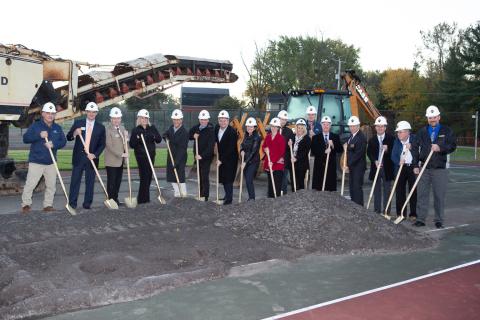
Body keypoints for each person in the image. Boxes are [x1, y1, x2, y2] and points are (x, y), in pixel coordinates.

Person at [411, 105, 456, 228]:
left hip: (440, 169)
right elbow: (414, 148)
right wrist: (415, 164)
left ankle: (439, 220)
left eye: (434, 117)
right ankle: (420, 219)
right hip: (424, 169)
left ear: (439, 117)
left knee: (439, 196)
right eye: (430, 118)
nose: (432, 119)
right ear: (427, 119)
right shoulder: (422, 131)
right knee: (421, 195)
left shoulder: (446, 131)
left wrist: (440, 148)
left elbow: (452, 146)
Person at [21, 102, 67, 213]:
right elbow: (25, 139)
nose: (50, 115)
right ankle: (26, 204)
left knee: (51, 186)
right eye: (48, 113)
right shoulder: (35, 126)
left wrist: (53, 144)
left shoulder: (57, 128)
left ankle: (48, 205)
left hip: (51, 162)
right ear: (43, 114)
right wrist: (38, 136)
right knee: (30, 185)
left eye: (52, 113)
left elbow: (63, 141)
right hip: (36, 161)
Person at [67, 102, 106, 210]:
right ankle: (72, 204)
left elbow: (102, 144)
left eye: (94, 112)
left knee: (90, 183)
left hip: (91, 158)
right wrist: (74, 133)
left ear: (96, 113)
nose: (92, 114)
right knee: (75, 181)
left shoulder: (100, 127)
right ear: (86, 112)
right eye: (90, 112)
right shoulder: (78, 123)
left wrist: (95, 155)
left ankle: (87, 204)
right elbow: (68, 137)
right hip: (79, 158)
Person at [129, 109, 162, 204]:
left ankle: (143, 198)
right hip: (141, 156)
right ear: (139, 118)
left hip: (151, 155)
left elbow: (159, 140)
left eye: (146, 118)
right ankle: (143, 199)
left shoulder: (152, 128)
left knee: (149, 176)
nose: (144, 120)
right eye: (142, 118)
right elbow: (132, 144)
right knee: (144, 176)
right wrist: (138, 139)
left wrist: (153, 136)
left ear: (148, 119)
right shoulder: (136, 130)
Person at [367, 116, 394, 214]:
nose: (380, 128)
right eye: (378, 126)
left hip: (386, 168)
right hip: (376, 167)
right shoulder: (372, 140)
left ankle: (386, 211)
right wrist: (374, 160)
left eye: (382, 126)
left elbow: (394, 153)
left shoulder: (391, 138)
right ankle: (377, 210)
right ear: (375, 128)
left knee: (387, 190)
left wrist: (387, 150)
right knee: (376, 190)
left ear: (385, 127)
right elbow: (369, 152)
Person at [391, 120, 417, 220]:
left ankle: (413, 214)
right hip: (400, 168)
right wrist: (399, 161)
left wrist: (412, 148)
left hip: (412, 168)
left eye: (400, 132)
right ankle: (400, 213)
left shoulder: (414, 140)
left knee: (413, 191)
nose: (398, 134)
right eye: (398, 132)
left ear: (407, 132)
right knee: (399, 191)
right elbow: (393, 155)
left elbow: (420, 153)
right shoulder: (396, 141)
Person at [189, 109, 215, 201]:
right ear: (199, 120)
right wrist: (193, 136)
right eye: (201, 119)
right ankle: (200, 194)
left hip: (206, 157)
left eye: (205, 119)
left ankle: (205, 197)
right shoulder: (196, 128)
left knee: (204, 176)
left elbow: (210, 147)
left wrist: (202, 156)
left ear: (208, 120)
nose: (203, 121)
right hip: (197, 156)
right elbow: (189, 135)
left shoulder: (211, 130)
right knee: (199, 176)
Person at [310, 116, 342, 191]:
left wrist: (333, 145)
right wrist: (324, 152)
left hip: (330, 168)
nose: (326, 126)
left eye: (327, 124)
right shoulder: (316, 138)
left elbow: (340, 149)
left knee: (330, 190)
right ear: (321, 125)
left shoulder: (335, 137)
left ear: (330, 126)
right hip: (319, 168)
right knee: (318, 190)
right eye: (324, 124)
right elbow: (313, 151)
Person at [104, 107, 128, 206]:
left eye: (118, 118)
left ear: (120, 119)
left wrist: (127, 138)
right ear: (111, 119)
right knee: (112, 182)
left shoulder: (122, 128)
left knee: (118, 182)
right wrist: (121, 154)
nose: (116, 120)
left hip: (120, 161)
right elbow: (109, 146)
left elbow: (125, 144)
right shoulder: (107, 130)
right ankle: (111, 200)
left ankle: (116, 199)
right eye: (114, 118)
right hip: (111, 161)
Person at [163, 109, 189, 197]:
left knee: (180, 176)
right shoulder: (171, 128)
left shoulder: (184, 132)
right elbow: (166, 134)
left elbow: (182, 149)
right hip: (171, 156)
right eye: (174, 119)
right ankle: (177, 193)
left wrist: (177, 162)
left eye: (178, 119)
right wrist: (165, 135)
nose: (176, 121)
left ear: (181, 120)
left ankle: (183, 193)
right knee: (171, 176)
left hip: (180, 158)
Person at [215, 110, 239, 205]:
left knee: (228, 179)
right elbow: (215, 139)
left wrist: (221, 160)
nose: (222, 122)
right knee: (223, 178)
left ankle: (229, 200)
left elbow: (230, 149)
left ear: (228, 121)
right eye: (221, 120)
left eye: (224, 120)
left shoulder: (232, 132)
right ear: (218, 121)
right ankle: (226, 196)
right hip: (221, 158)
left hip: (230, 159)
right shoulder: (217, 129)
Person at [345, 115, 367, 206]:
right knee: (352, 188)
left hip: (358, 167)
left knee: (357, 188)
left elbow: (358, 154)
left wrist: (348, 165)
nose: (352, 128)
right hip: (353, 167)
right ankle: (354, 207)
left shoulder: (361, 137)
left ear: (358, 126)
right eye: (351, 126)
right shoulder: (352, 136)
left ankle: (359, 208)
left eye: (354, 126)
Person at [262, 117, 286, 198]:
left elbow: (281, 152)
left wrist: (273, 161)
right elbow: (263, 146)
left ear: (278, 128)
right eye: (272, 126)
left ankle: (276, 202)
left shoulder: (281, 138)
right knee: (270, 184)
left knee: (277, 185)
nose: (273, 128)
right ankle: (270, 201)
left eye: (275, 127)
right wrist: (265, 149)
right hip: (269, 164)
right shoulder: (268, 136)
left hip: (277, 165)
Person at [240, 117, 262, 201]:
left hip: (253, 161)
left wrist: (245, 162)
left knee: (249, 179)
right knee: (247, 179)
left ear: (254, 127)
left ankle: (252, 198)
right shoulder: (246, 134)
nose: (249, 128)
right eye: (248, 126)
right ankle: (250, 197)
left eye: (251, 126)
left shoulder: (257, 137)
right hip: (245, 160)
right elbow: (242, 145)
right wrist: (241, 150)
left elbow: (253, 152)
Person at [289, 119, 311, 190]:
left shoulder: (307, 138)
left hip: (302, 164)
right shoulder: (292, 137)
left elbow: (305, 152)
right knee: (293, 182)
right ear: (296, 128)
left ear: (304, 129)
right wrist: (289, 144)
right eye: (298, 128)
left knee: (300, 182)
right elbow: (288, 149)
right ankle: (294, 197)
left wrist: (296, 158)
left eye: (302, 128)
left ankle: (300, 199)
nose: (300, 130)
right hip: (292, 163)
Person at [278, 110, 295, 194]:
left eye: (285, 120)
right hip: (275, 158)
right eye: (282, 119)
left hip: (285, 158)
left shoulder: (289, 131)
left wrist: (291, 144)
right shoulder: (273, 129)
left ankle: (283, 195)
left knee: (284, 178)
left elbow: (292, 145)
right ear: (278, 119)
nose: (283, 121)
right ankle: (273, 194)